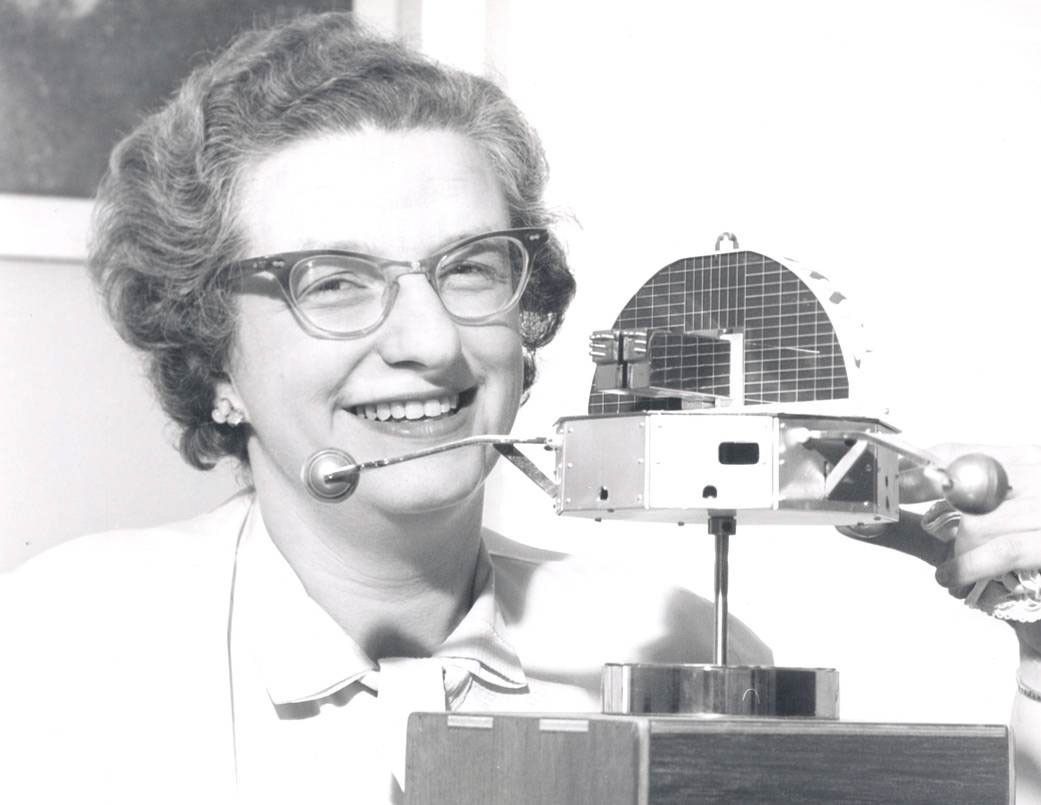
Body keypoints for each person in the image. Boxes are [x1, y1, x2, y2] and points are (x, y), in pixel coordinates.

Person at [0, 10, 1037, 804]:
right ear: (210, 357)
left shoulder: (675, 645)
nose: (430, 341)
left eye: (470, 268)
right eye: (334, 282)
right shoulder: (60, 647)